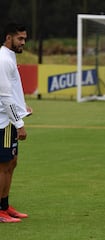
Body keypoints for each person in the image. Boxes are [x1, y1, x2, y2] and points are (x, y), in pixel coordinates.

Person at [0, 23, 32, 223]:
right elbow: (4, 96)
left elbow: (12, 91)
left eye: (24, 39)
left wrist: (23, 107)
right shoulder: (3, 59)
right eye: (19, 39)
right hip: (3, 122)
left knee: (12, 163)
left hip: (10, 118)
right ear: (8, 37)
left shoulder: (10, 57)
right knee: (3, 166)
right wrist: (19, 123)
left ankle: (5, 205)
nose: (23, 43)